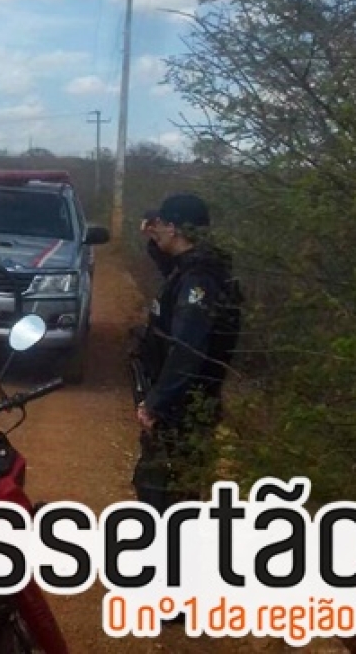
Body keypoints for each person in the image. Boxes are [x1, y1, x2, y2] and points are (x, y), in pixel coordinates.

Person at [131, 192, 243, 513]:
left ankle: (170, 544)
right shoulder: (197, 267)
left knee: (166, 493)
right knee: (165, 489)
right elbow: (170, 266)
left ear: (175, 228)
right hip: (183, 404)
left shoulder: (199, 280)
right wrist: (154, 239)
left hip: (185, 408)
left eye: (161, 223)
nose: (156, 228)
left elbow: (187, 350)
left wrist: (156, 402)